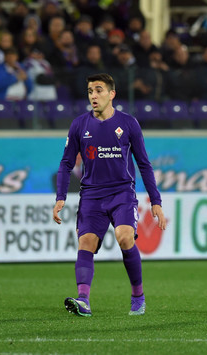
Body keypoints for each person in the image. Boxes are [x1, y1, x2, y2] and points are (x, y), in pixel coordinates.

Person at [52, 73, 166, 317]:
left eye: (99, 90)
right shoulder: (79, 125)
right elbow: (66, 163)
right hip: (91, 196)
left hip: (122, 192)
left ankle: (138, 295)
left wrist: (155, 201)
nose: (93, 95)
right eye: (91, 91)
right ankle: (83, 300)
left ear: (112, 94)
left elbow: (144, 164)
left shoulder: (128, 124)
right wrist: (61, 196)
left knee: (125, 238)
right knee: (86, 243)